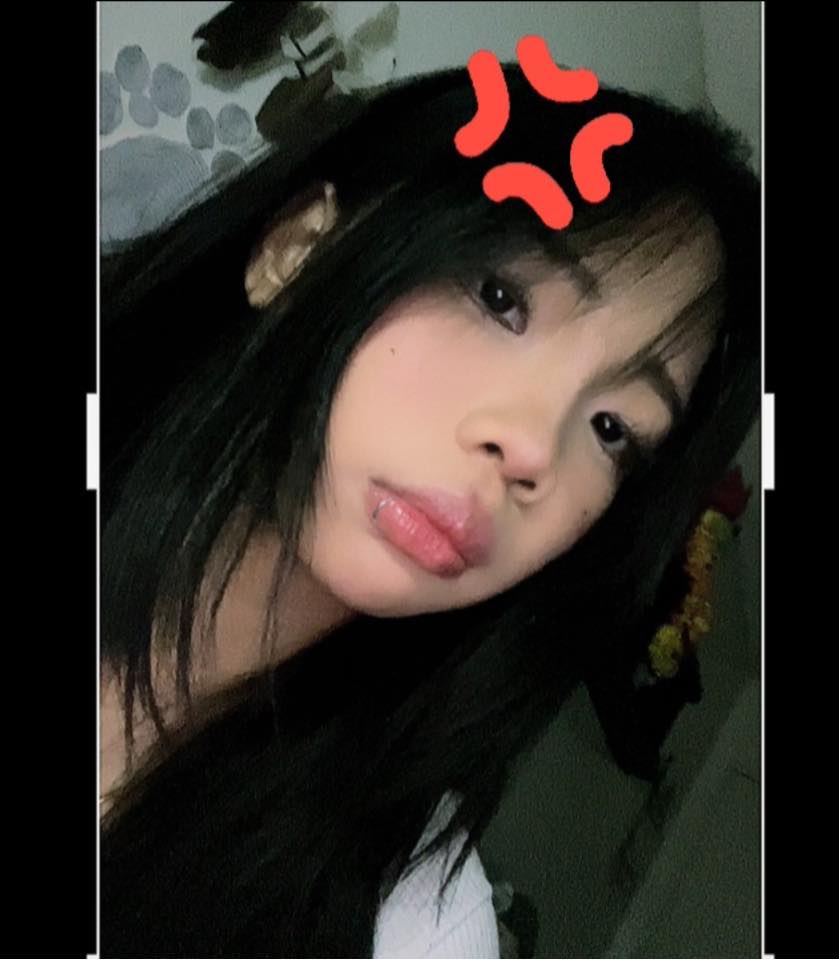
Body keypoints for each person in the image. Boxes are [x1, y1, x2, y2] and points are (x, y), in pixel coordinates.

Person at [99, 61, 760, 957]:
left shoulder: (416, 924)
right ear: (298, 249)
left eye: (613, 429)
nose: (532, 448)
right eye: (501, 299)